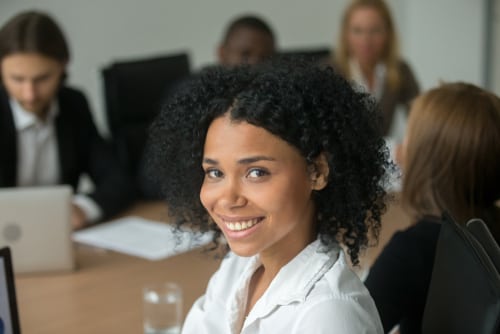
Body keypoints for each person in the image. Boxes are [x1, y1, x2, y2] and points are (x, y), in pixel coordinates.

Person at [147, 59, 389, 333]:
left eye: (256, 172)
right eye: (215, 173)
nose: (228, 199)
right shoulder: (238, 267)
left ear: (317, 172)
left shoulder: (329, 317)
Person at [364, 82, 500, 333]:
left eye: (408, 138)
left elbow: (355, 324)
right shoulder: (492, 229)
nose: (399, 150)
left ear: (427, 163)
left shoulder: (412, 251)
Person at [0, 11, 134, 229]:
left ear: (63, 66)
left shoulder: (73, 104)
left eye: (42, 78)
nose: (29, 94)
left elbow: (117, 179)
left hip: (64, 238)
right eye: (17, 79)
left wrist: (83, 209)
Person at [139, 14, 276, 199]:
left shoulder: (275, 101)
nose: (254, 64)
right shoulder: (189, 97)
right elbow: (154, 179)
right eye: (245, 54)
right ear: (221, 53)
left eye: (265, 58)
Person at [331, 0, 419, 136]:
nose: (366, 40)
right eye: (357, 30)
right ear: (345, 34)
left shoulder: (400, 70)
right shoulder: (330, 72)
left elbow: (420, 117)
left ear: (388, 34)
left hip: (387, 152)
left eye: (375, 31)